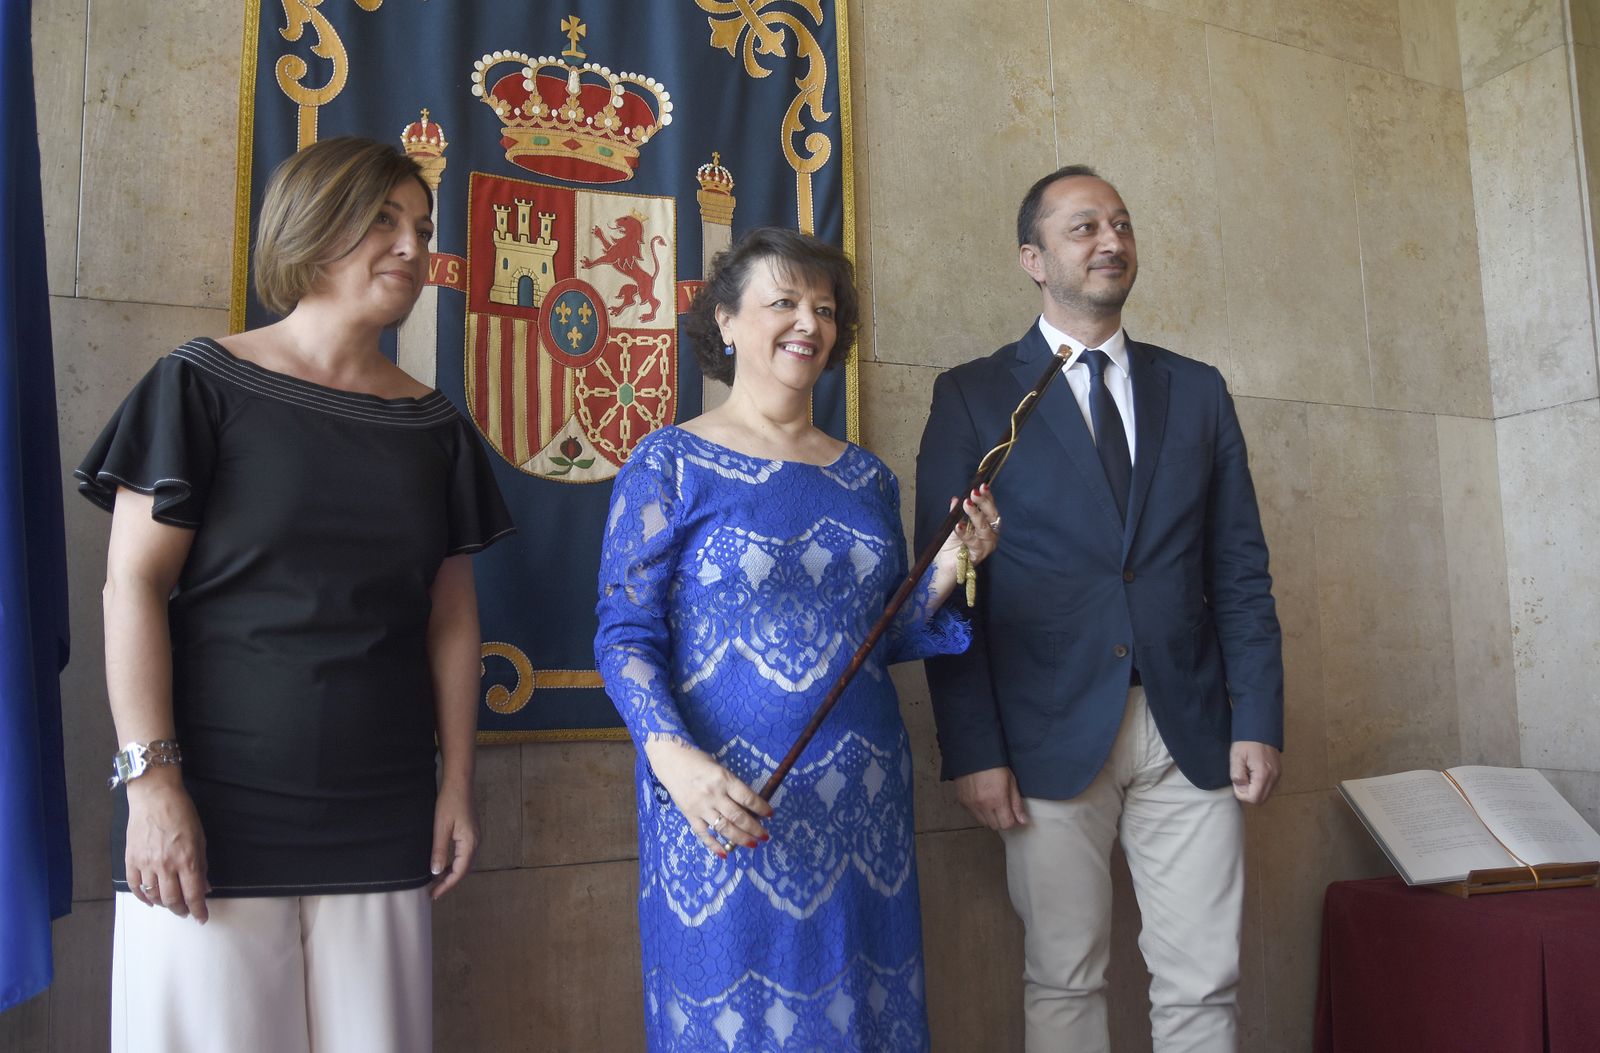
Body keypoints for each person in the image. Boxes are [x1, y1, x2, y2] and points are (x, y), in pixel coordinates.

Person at [75, 136, 515, 1053]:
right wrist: (152, 788)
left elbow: (451, 619)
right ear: (311, 229)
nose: (411, 246)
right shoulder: (197, 385)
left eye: (421, 227)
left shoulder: (434, 427)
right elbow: (132, 588)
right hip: (210, 811)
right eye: (382, 220)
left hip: (383, 812)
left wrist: (459, 785)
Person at [595, 227, 1000, 1051]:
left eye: (823, 307)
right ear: (728, 321)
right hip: (724, 805)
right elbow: (623, 632)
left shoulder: (867, 477)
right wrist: (675, 763)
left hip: (864, 816)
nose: (807, 322)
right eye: (783, 302)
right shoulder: (667, 461)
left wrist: (952, 567)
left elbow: (879, 637)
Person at [913, 166, 1284, 1053]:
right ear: (1033, 259)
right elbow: (946, 582)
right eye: (1083, 228)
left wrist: (1259, 714)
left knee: (1205, 979)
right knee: (1064, 977)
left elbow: (1239, 568)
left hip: (1191, 725)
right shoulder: (971, 395)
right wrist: (974, 747)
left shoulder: (1196, 389)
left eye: (1120, 224)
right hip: (1042, 733)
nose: (1111, 240)